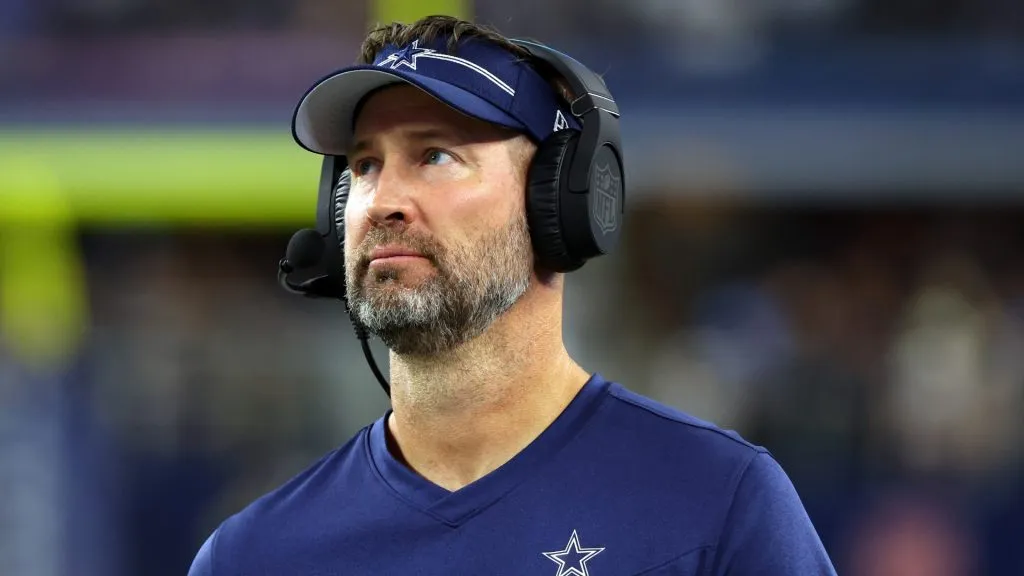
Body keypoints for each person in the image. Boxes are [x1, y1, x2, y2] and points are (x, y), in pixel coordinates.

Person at [188, 15, 837, 575]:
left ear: (556, 200)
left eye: (435, 155)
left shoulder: (717, 503)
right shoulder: (254, 555)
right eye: (365, 165)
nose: (383, 201)